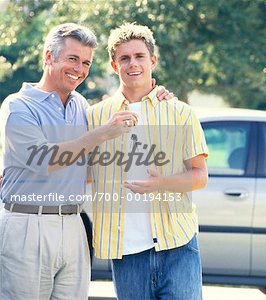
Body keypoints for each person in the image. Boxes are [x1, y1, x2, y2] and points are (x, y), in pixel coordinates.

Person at [0, 23, 171, 299]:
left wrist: (157, 94)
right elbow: (45, 160)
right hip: (28, 223)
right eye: (72, 59)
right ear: (48, 57)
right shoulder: (18, 106)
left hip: (74, 224)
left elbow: (92, 162)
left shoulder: (81, 105)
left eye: (86, 63)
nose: (79, 69)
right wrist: (102, 133)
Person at [87, 23, 208, 300]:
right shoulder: (95, 117)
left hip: (177, 245)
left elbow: (200, 176)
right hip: (126, 251)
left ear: (152, 60)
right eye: (124, 58)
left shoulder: (180, 113)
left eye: (139, 56)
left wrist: (159, 183)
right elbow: (81, 170)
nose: (133, 64)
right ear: (114, 65)